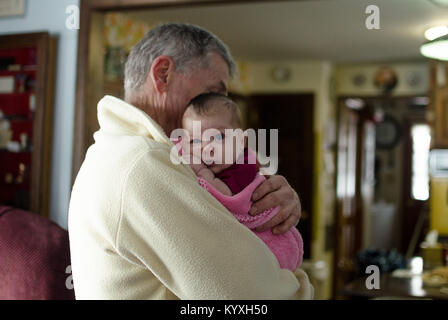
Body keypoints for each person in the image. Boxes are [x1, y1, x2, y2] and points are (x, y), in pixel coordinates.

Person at [68, 23, 313, 299]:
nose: (216, 109)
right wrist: (301, 283)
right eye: (214, 92)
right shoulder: (144, 164)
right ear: (163, 74)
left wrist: (266, 202)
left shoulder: (122, 152)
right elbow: (252, 297)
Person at [179, 92, 303, 272]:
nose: (207, 149)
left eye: (219, 137)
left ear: (242, 141)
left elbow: (225, 196)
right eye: (195, 141)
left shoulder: (244, 165)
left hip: (263, 239)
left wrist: (201, 170)